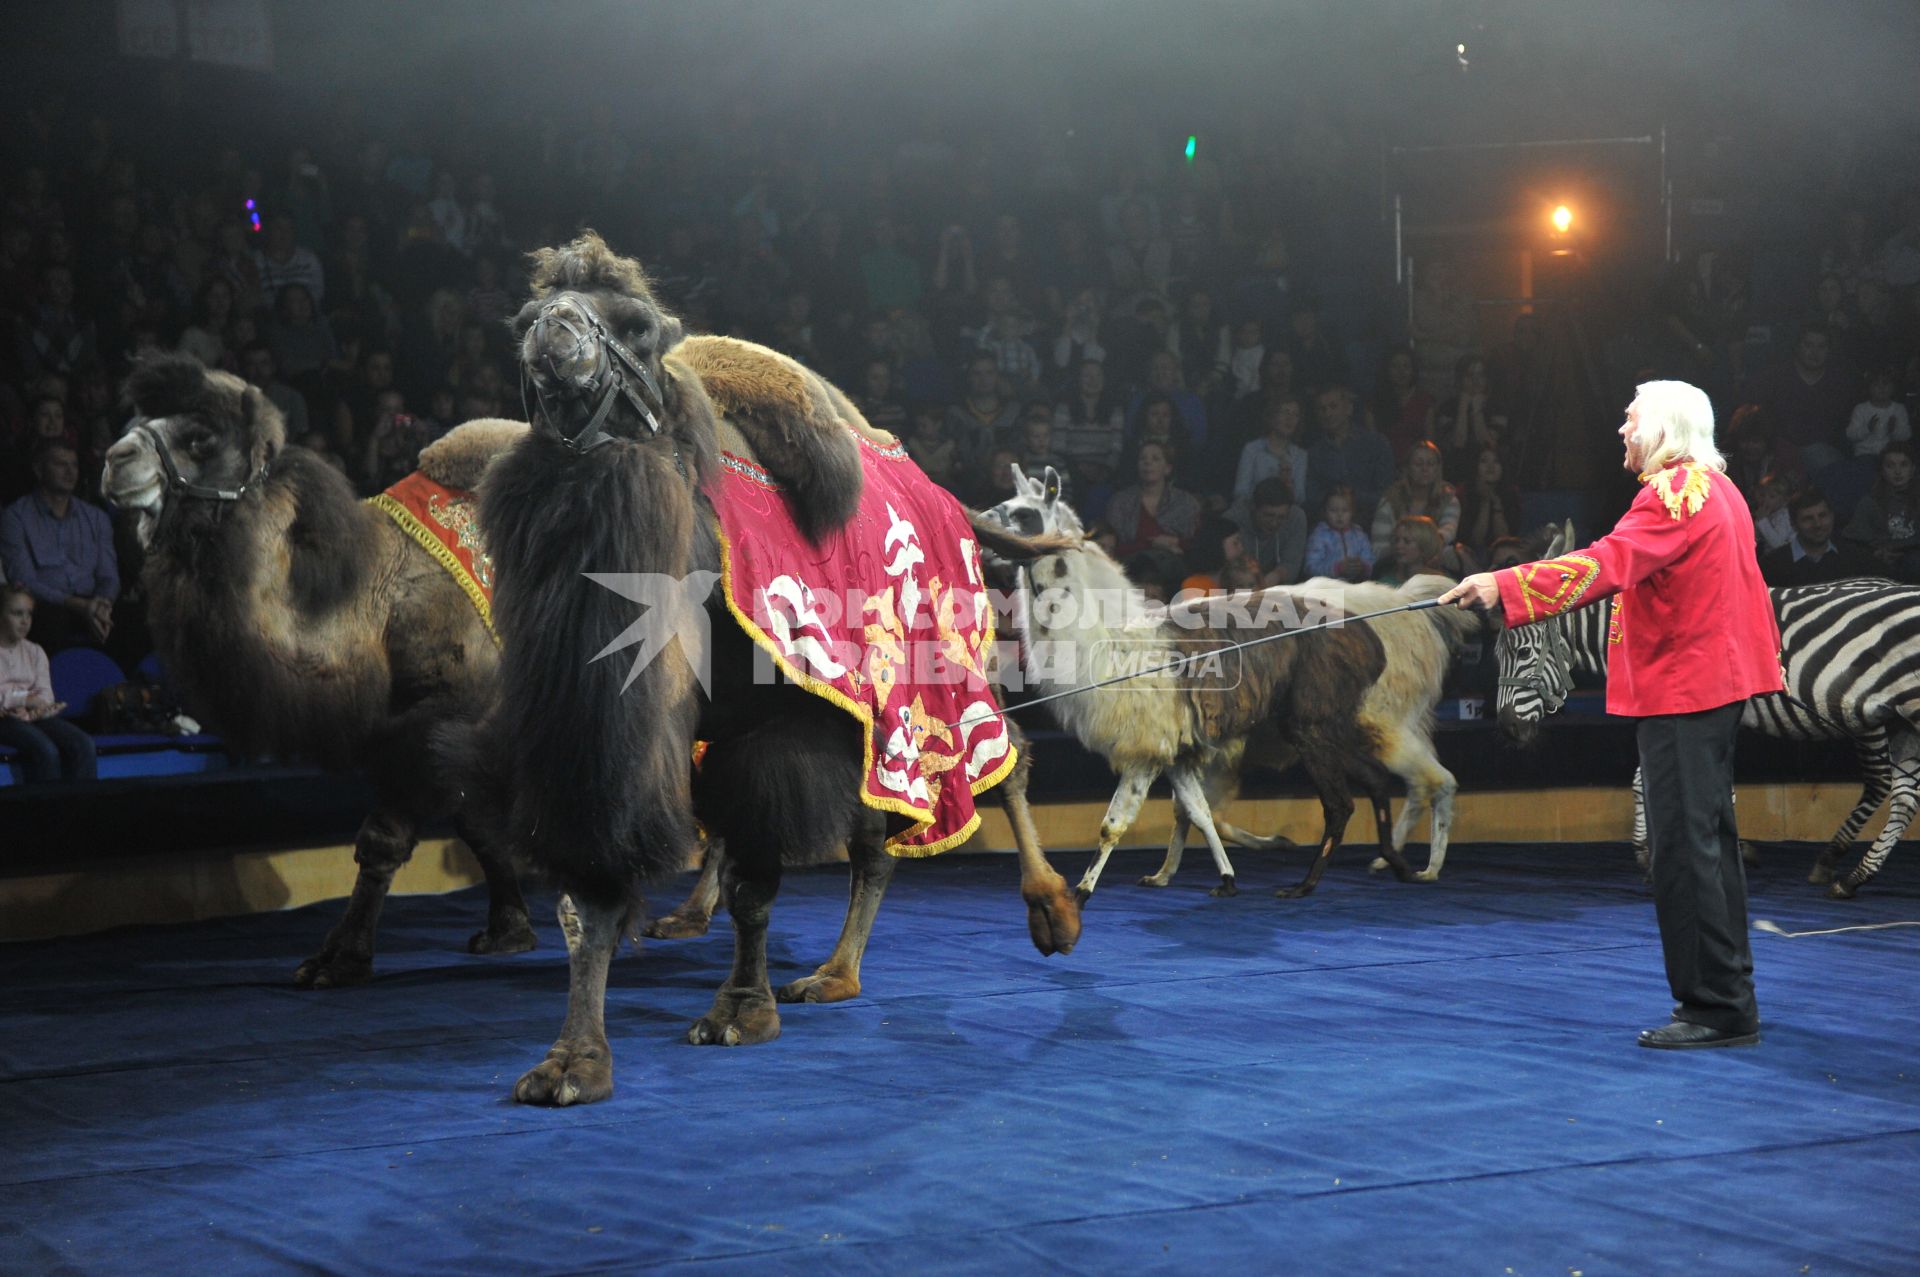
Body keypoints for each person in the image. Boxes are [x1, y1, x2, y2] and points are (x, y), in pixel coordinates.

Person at [1442, 380, 1782, 1050]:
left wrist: (1503, 584)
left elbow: (1609, 562)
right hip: (1709, 686)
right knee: (1705, 844)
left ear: (1664, 427)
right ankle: (1728, 994)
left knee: (1683, 849)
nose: (1622, 431)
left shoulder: (1673, 493)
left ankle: (1715, 1006)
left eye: (1631, 420)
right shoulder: (1718, 487)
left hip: (1685, 690)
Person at [0, 439, 119, 653]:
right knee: (49, 621)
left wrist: (103, 605)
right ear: (39, 470)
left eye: (74, 465)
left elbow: (109, 576)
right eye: (60, 464)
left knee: (138, 618)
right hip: (46, 605)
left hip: (93, 600)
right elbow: (23, 579)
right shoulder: (16, 517)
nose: (70, 471)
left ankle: (129, 685)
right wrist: (80, 606)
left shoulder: (96, 518)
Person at [0, 584, 96, 782]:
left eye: (29, 614)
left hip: (32, 716)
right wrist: (24, 699)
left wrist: (37, 707)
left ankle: (84, 807)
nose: (25, 621)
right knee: (46, 750)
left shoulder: (35, 651)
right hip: (4, 720)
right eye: (17, 613)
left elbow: (45, 693)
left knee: (83, 743)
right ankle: (49, 810)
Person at [1841, 440, 1920, 580]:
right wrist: (1875, 553)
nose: (1897, 471)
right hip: (1882, 564)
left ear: (1913, 469)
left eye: (1904, 464)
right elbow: (1852, 542)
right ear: (1882, 471)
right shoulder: (1870, 502)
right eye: (1890, 466)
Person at [1762, 488, 1872, 586]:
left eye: (1822, 516)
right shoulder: (1772, 566)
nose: (1817, 524)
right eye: (1808, 518)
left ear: (1832, 517)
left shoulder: (1853, 558)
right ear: (1793, 524)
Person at [1236, 476, 1307, 587]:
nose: (1274, 523)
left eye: (1281, 517)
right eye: (1268, 515)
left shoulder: (1296, 518)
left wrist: (1278, 575)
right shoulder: (1234, 521)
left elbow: (1292, 562)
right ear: (1254, 508)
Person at [1303, 485, 1373, 582]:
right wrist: (1337, 568)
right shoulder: (1319, 536)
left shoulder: (1359, 535)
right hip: (1327, 587)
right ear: (1325, 511)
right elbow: (1310, 567)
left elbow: (1370, 560)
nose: (1339, 515)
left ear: (1352, 512)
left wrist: (1363, 567)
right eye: (1333, 510)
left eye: (1345, 510)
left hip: (1356, 585)